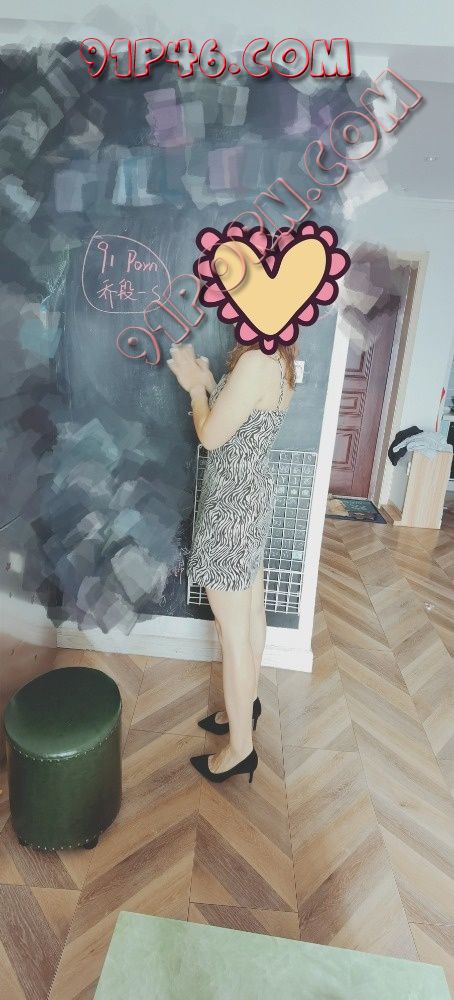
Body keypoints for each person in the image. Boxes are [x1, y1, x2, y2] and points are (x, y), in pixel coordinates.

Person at [167, 339, 296, 784]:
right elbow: (244, 414)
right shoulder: (277, 356)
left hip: (232, 506)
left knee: (233, 632)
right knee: (250, 615)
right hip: (250, 498)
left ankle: (241, 749)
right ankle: (247, 703)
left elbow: (211, 435)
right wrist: (210, 381)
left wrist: (194, 388)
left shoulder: (256, 360)